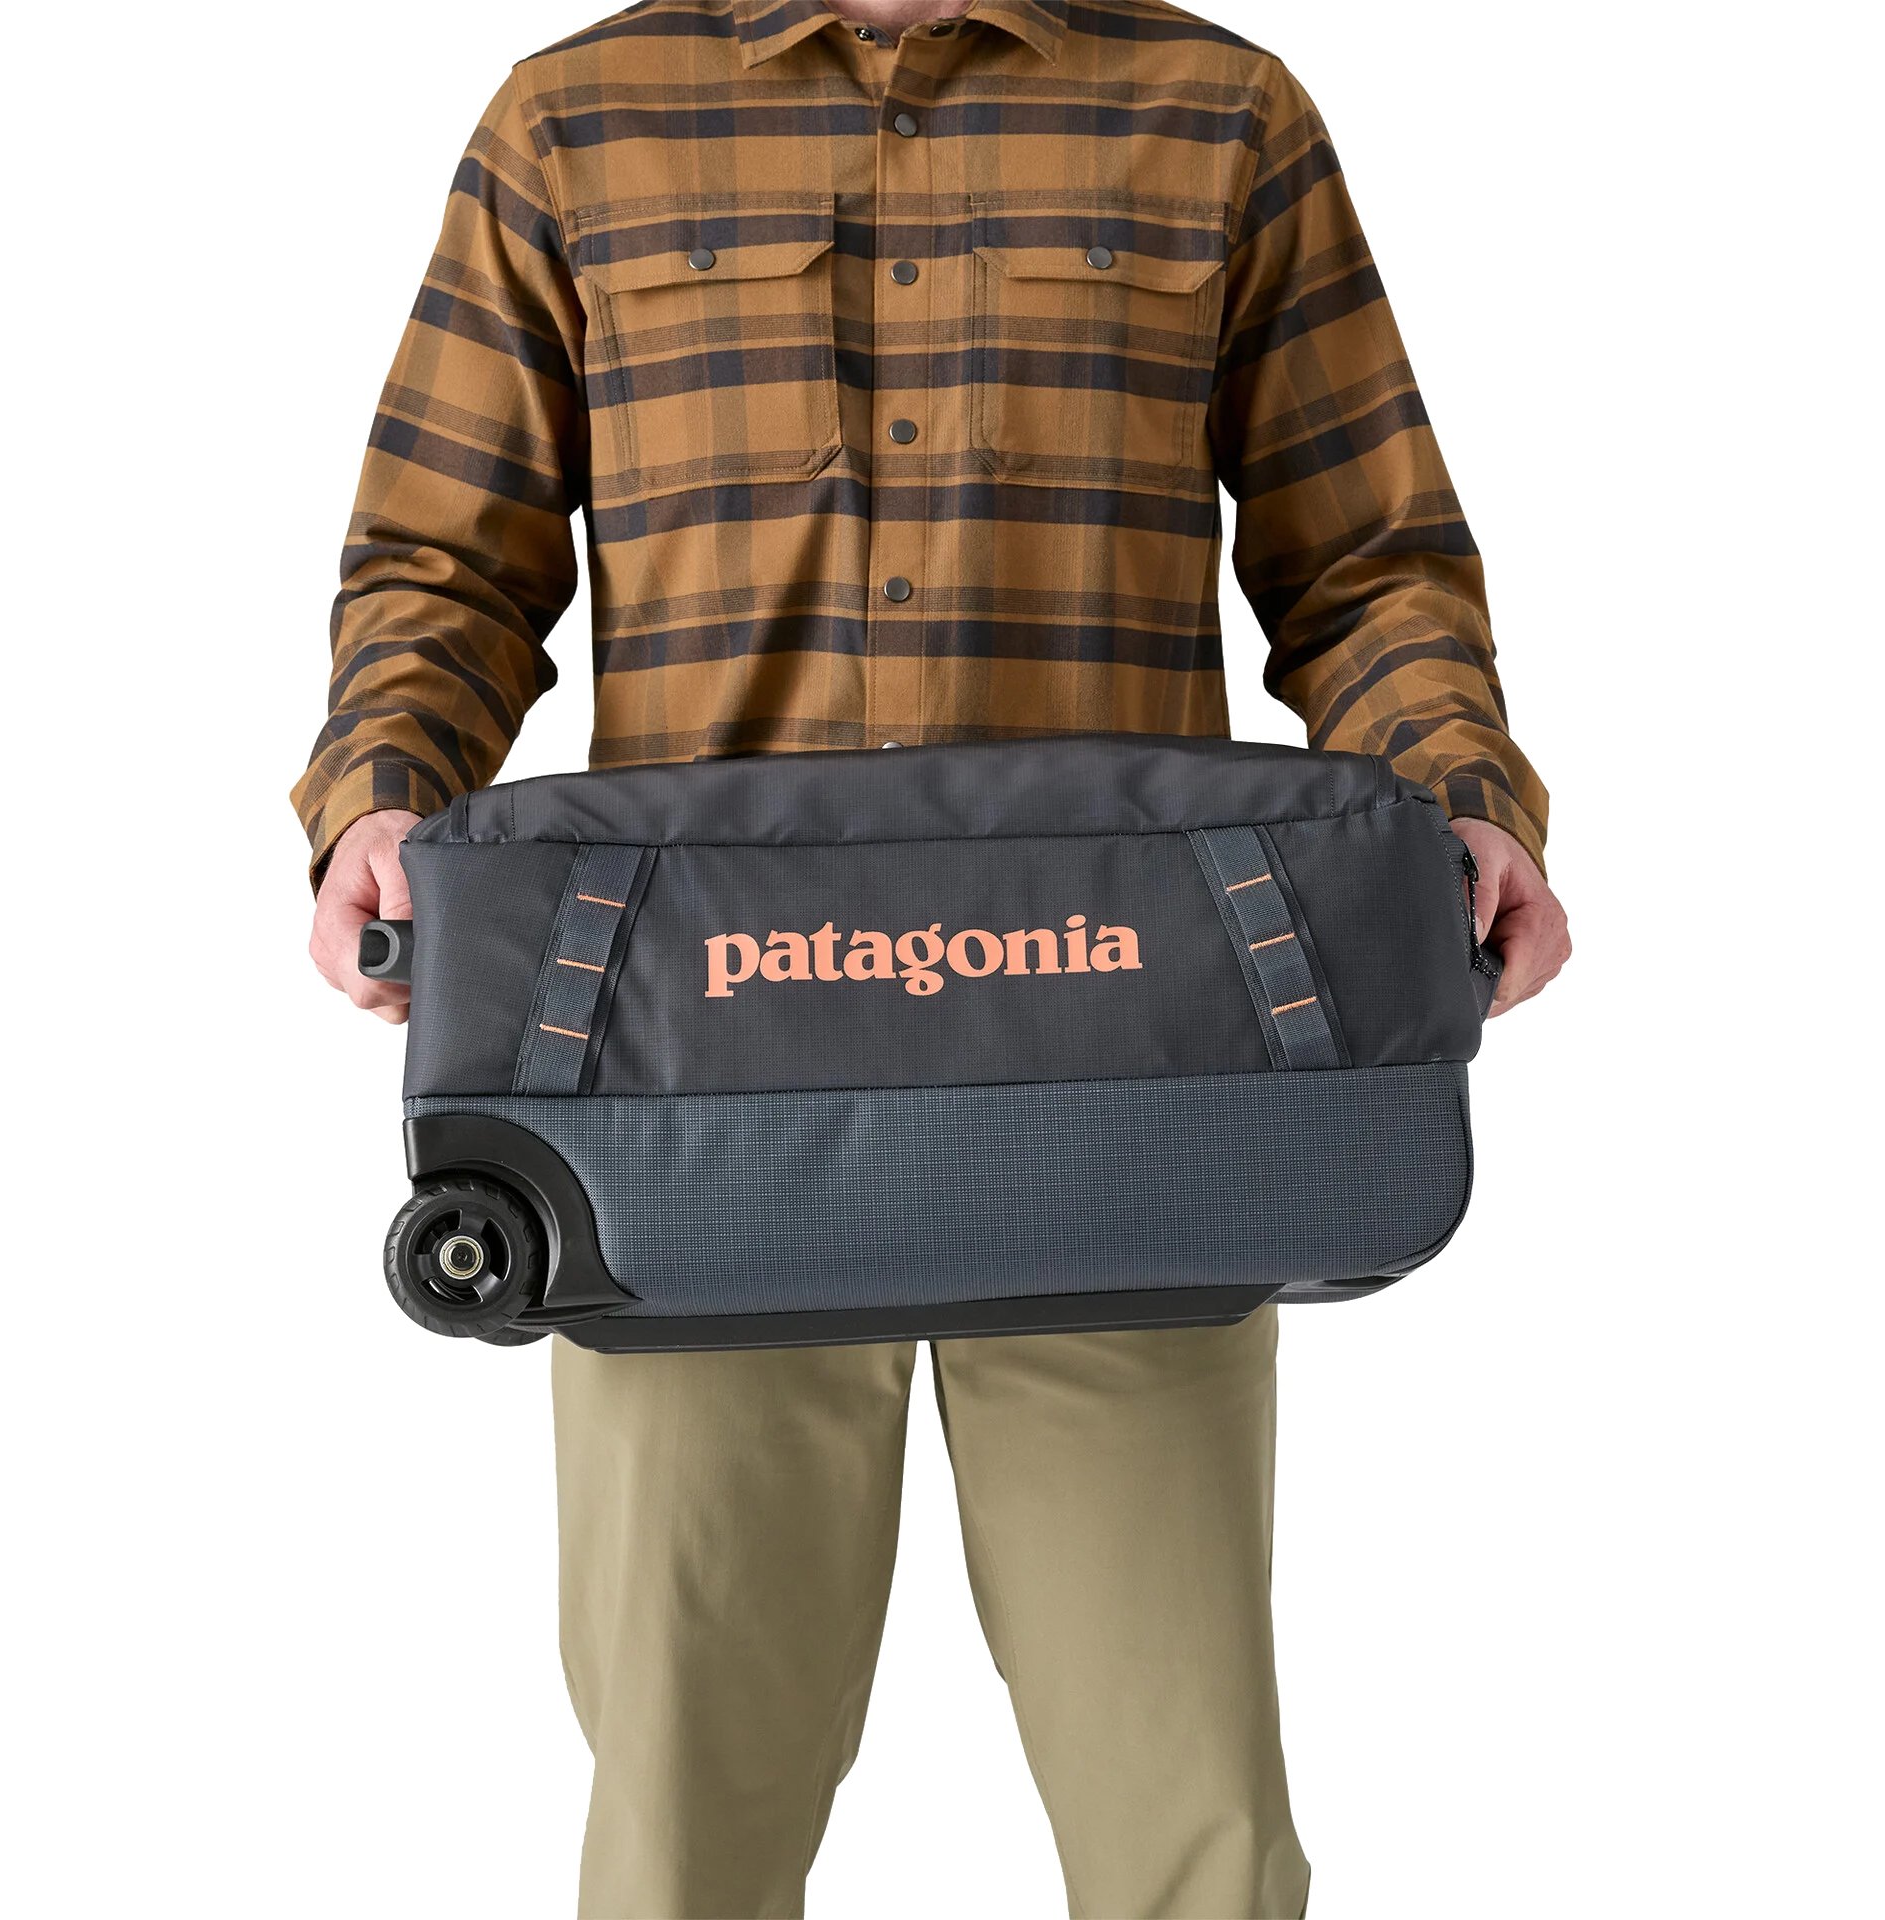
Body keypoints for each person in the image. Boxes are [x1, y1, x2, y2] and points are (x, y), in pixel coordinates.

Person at [294, 0, 1571, 1910]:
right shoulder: (574, 121)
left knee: (1191, 1835)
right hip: (690, 1100)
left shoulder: (1221, 113)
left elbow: (1367, 559)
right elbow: (443, 564)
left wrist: (1463, 793)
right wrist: (384, 794)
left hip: (1131, 1084)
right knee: (684, 1832)